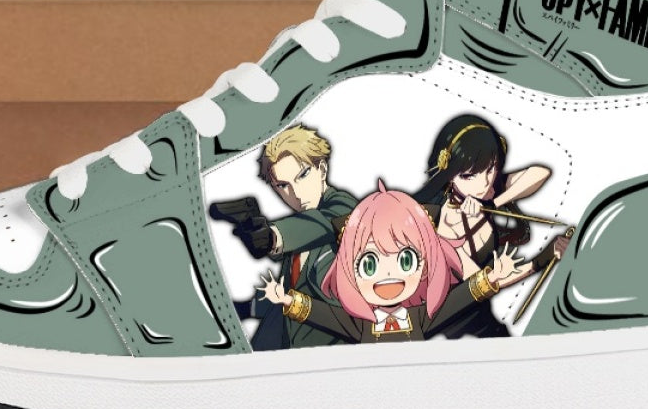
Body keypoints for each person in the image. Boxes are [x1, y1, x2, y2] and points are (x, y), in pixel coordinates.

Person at [258, 182, 525, 343]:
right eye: (369, 265)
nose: (388, 274)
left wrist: (491, 278)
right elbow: (324, 315)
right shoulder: (359, 324)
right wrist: (287, 300)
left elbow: (459, 300)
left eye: (406, 260)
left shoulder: (419, 317)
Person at [413, 114, 570, 338]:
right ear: (448, 175)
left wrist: (492, 203)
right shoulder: (442, 223)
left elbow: (540, 173)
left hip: (486, 321)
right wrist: (542, 259)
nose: (484, 182)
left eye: (491, 168)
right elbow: (485, 280)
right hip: (459, 327)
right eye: (469, 175)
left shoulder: (488, 193)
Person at [215, 126, 358, 350]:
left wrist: (272, 236)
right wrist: (245, 308)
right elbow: (292, 290)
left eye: (303, 175)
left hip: (329, 348)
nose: (296, 193)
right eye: (283, 185)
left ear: (321, 169)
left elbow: (322, 224)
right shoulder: (302, 233)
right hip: (283, 346)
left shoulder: (343, 208)